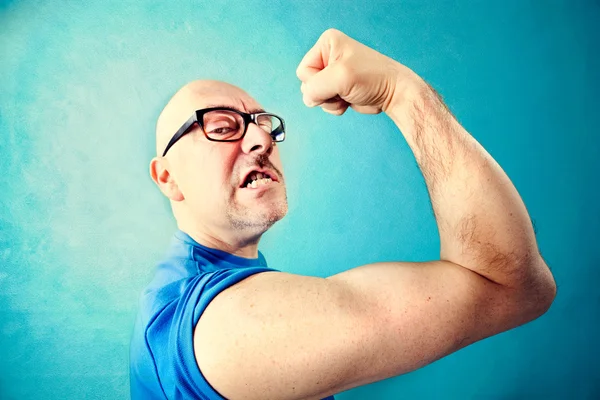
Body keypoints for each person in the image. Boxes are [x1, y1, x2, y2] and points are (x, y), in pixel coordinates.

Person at [130, 28, 556, 400]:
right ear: (167, 177)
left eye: (263, 123)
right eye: (222, 128)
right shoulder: (224, 327)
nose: (261, 138)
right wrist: (401, 93)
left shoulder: (191, 294)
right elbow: (514, 287)